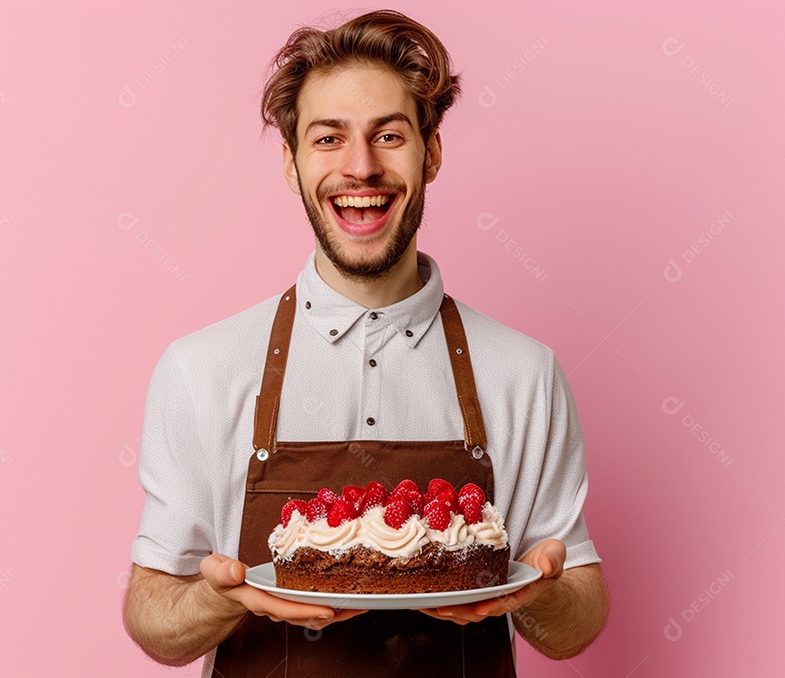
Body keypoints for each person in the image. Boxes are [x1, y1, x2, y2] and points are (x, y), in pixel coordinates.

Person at [122, 9, 609, 676]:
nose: (361, 167)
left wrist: (537, 593)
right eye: (328, 139)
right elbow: (155, 621)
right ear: (291, 164)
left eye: (389, 135)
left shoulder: (524, 372)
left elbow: (578, 619)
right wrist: (219, 596)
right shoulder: (202, 369)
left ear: (431, 152)